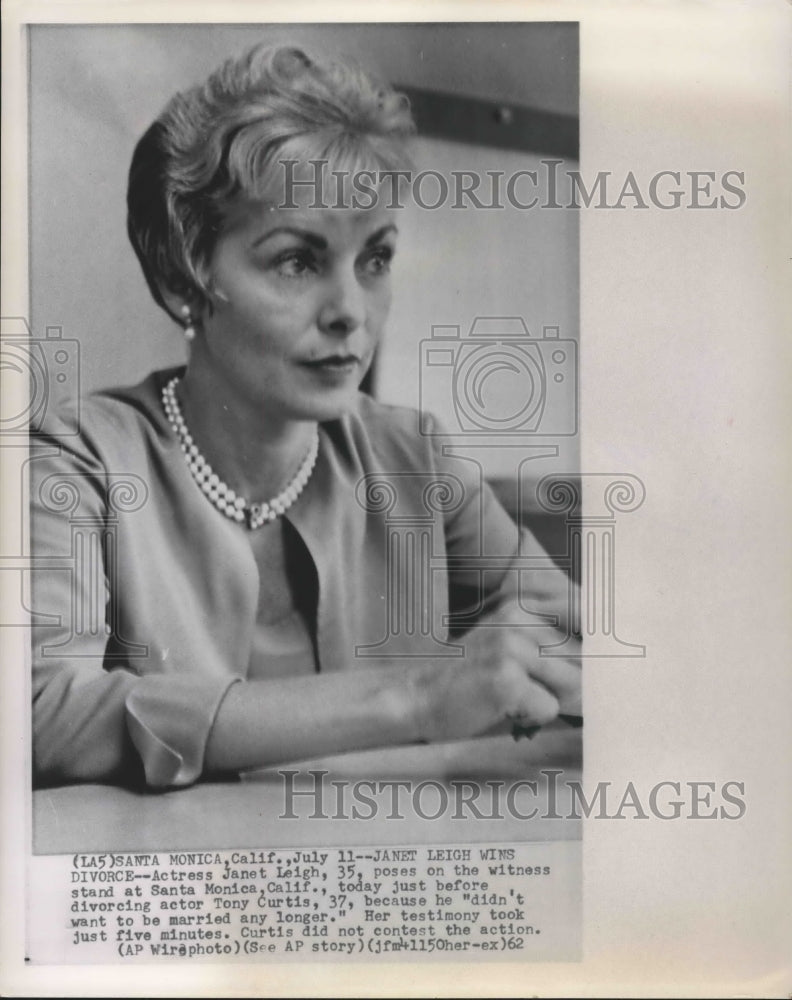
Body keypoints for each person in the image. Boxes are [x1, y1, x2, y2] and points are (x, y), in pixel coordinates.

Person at [30, 43, 581, 789]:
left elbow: (576, 639)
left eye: (374, 259)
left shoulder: (415, 458)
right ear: (182, 280)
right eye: (297, 260)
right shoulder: (76, 459)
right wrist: (416, 697)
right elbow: (42, 712)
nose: (351, 312)